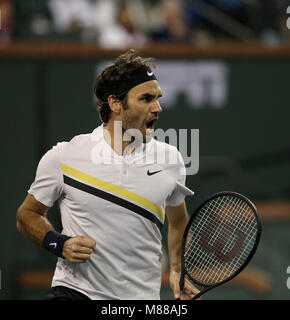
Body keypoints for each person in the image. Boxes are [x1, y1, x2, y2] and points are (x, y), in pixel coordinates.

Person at [16, 49, 199, 300]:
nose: (157, 108)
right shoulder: (65, 155)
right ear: (115, 104)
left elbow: (178, 222)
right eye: (146, 99)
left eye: (158, 98)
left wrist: (178, 269)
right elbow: (27, 214)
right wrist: (60, 244)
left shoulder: (171, 161)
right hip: (76, 291)